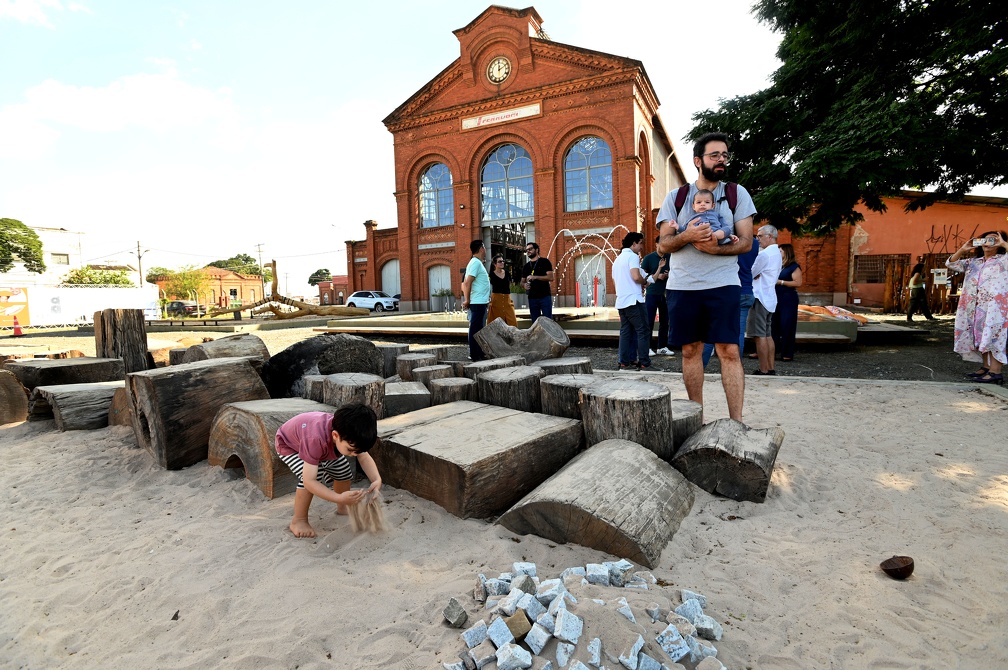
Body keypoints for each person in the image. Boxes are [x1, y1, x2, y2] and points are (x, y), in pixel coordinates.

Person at [656, 132, 756, 421]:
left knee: (730, 351)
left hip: (723, 285)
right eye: (715, 155)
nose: (722, 159)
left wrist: (715, 249)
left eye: (725, 155)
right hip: (683, 286)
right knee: (690, 351)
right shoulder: (676, 198)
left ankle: (736, 424)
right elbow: (663, 244)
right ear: (698, 161)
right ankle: (695, 419)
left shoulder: (737, 194)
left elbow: (747, 242)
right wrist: (687, 235)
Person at [275, 403, 382, 538]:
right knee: (316, 476)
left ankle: (342, 507)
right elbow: (309, 481)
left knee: (343, 470)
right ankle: (298, 520)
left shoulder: (349, 433)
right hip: (290, 447)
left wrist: (376, 480)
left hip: (322, 447)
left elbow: (364, 457)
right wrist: (338, 497)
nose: (354, 454)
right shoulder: (315, 439)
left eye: (358, 451)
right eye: (350, 450)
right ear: (336, 435)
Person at [945, 231, 1008, 384]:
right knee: (980, 335)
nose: (988, 243)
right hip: (974, 306)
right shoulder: (974, 262)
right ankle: (986, 367)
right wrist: (963, 249)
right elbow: (951, 263)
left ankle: (995, 372)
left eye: (993, 240)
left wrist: (1004, 244)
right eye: (985, 240)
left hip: (995, 307)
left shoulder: (1003, 260)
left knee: (994, 334)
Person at [612, 231, 653, 371]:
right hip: (633, 300)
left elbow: (615, 281)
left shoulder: (617, 260)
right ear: (634, 243)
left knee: (625, 331)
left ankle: (624, 362)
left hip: (621, 301)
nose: (641, 247)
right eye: (640, 243)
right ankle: (644, 363)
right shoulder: (633, 256)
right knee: (643, 331)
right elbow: (636, 277)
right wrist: (643, 282)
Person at [748, 225, 782, 375]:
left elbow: (751, 273)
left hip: (759, 296)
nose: (757, 239)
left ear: (770, 236)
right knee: (767, 334)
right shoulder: (777, 253)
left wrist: (754, 274)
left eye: (760, 236)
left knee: (759, 334)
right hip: (770, 296)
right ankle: (770, 366)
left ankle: (763, 369)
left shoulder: (765, 254)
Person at [640, 236, 672, 356]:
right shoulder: (649, 258)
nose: (663, 248)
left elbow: (676, 271)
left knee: (665, 321)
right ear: (656, 244)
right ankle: (647, 348)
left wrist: (669, 274)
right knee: (649, 321)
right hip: (652, 293)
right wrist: (657, 276)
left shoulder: (669, 257)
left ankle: (662, 347)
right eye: (661, 245)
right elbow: (642, 274)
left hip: (665, 293)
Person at [460, 239, 491, 361]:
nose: (486, 250)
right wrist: (467, 300)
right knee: (475, 329)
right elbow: (467, 283)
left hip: (481, 302)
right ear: (482, 248)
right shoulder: (475, 263)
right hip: (477, 302)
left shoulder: (477, 263)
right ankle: (475, 355)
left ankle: (479, 353)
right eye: (485, 247)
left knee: (479, 329)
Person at [771, 243, 803, 362]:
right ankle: (772, 352)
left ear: (786, 252)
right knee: (773, 324)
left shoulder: (793, 267)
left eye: (780, 251)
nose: (778, 253)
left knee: (787, 325)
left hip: (788, 298)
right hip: (776, 297)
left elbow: (798, 283)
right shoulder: (778, 265)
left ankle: (787, 353)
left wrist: (781, 282)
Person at [522, 242, 554, 322]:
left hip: (544, 296)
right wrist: (524, 285)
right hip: (532, 297)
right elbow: (522, 282)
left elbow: (551, 277)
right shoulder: (526, 266)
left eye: (530, 249)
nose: (528, 251)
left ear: (536, 250)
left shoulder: (545, 262)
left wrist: (535, 277)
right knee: (535, 322)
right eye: (527, 250)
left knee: (548, 321)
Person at [487, 254, 517, 326]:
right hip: (496, 299)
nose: (502, 263)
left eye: (503, 261)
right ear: (495, 264)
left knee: (512, 321)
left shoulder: (507, 273)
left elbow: (510, 284)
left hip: (507, 299)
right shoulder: (491, 275)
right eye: (500, 261)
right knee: (496, 321)